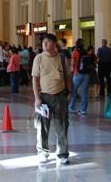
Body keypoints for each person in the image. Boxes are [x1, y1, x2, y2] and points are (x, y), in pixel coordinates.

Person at [32, 33, 72, 165]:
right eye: (43, 42)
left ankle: (62, 154)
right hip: (44, 97)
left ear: (54, 44)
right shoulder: (38, 58)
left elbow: (67, 76)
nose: (44, 44)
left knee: (62, 125)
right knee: (42, 127)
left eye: (48, 42)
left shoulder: (61, 59)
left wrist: (69, 92)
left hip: (60, 96)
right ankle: (43, 152)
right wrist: (37, 98)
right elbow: (35, 79)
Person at [69, 40, 94, 116]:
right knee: (84, 92)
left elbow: (73, 63)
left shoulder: (75, 52)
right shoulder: (86, 52)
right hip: (87, 74)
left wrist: (72, 70)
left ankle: (71, 107)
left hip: (78, 73)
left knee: (74, 90)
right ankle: (83, 110)